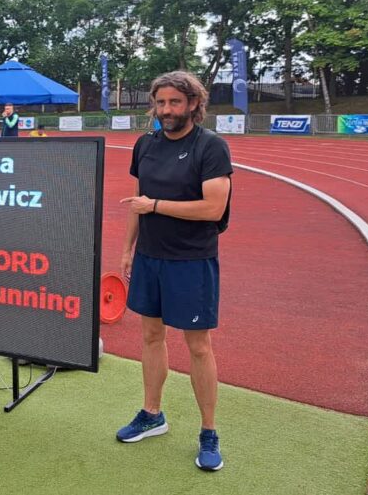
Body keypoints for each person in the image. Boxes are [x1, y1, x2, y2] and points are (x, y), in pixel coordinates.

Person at [116, 70, 232, 472]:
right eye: (161, 102)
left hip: (191, 260)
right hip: (150, 256)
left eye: (175, 102)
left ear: (194, 104)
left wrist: (155, 206)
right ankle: (152, 414)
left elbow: (213, 208)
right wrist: (128, 249)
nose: (166, 110)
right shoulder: (145, 144)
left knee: (198, 346)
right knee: (151, 335)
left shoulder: (211, 146)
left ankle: (209, 431)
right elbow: (137, 202)